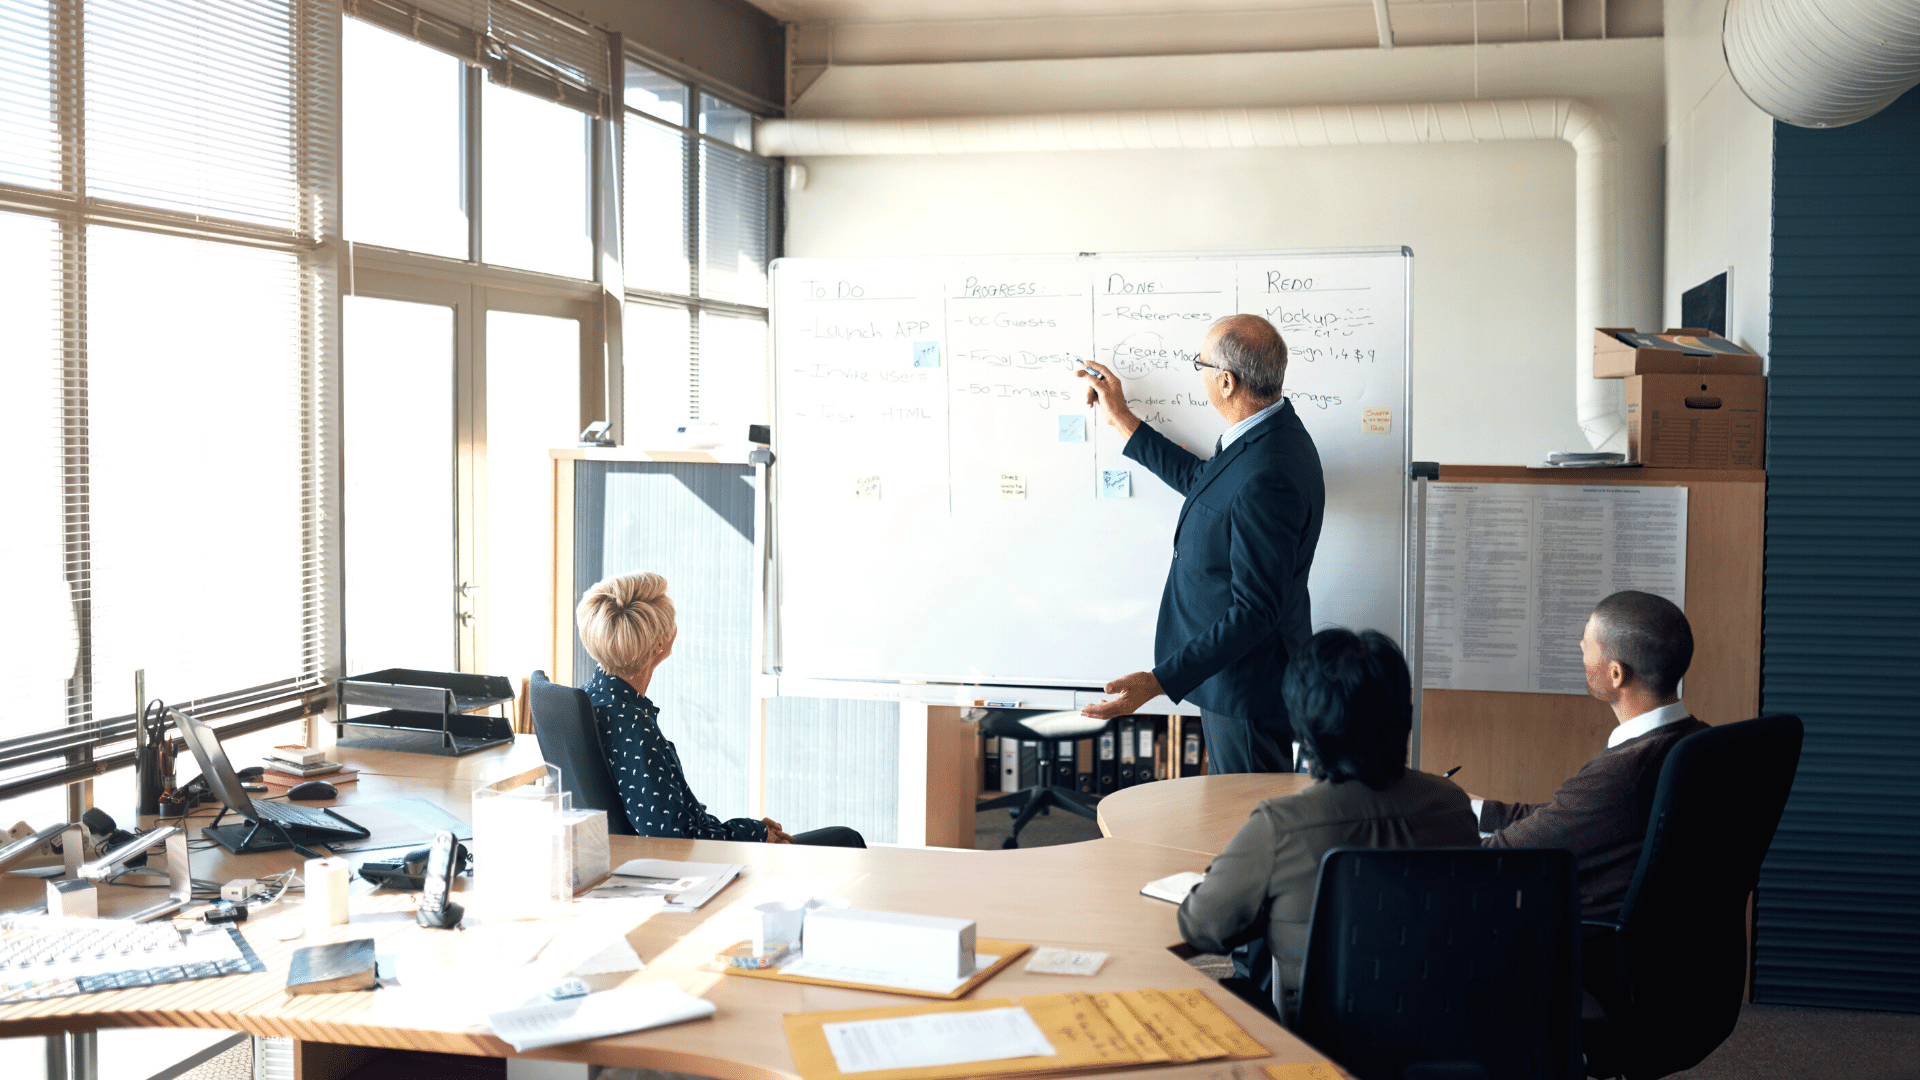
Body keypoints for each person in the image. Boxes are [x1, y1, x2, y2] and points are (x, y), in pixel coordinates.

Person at [1177, 629, 1479, 1024]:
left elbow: (1203, 928)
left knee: (1226, 993)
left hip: (1323, 1051)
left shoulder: (1280, 826)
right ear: (1401, 713)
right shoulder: (1453, 806)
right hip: (1443, 1039)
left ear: (1306, 725)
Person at [1077, 314, 1326, 775]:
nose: (1200, 372)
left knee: (1246, 827)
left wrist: (1158, 681)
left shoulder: (1269, 470)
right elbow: (1204, 484)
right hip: (1231, 679)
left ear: (1226, 382)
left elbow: (1256, 610)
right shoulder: (1265, 435)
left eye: (1201, 363)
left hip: (1246, 688)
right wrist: (1124, 421)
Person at [576, 571, 864, 847]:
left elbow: (674, 822)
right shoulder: (634, 726)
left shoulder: (590, 698)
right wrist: (755, 834)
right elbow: (678, 842)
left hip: (671, 853)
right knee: (845, 839)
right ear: (659, 644)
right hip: (696, 870)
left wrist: (752, 831)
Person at [1477, 589, 1705, 921]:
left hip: (1584, 948)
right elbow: (1567, 816)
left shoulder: (1621, 775)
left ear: (1616, 674)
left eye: (1587, 641)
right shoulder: (1695, 741)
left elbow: (1498, 857)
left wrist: (1420, 821)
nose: (1581, 647)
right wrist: (1467, 806)